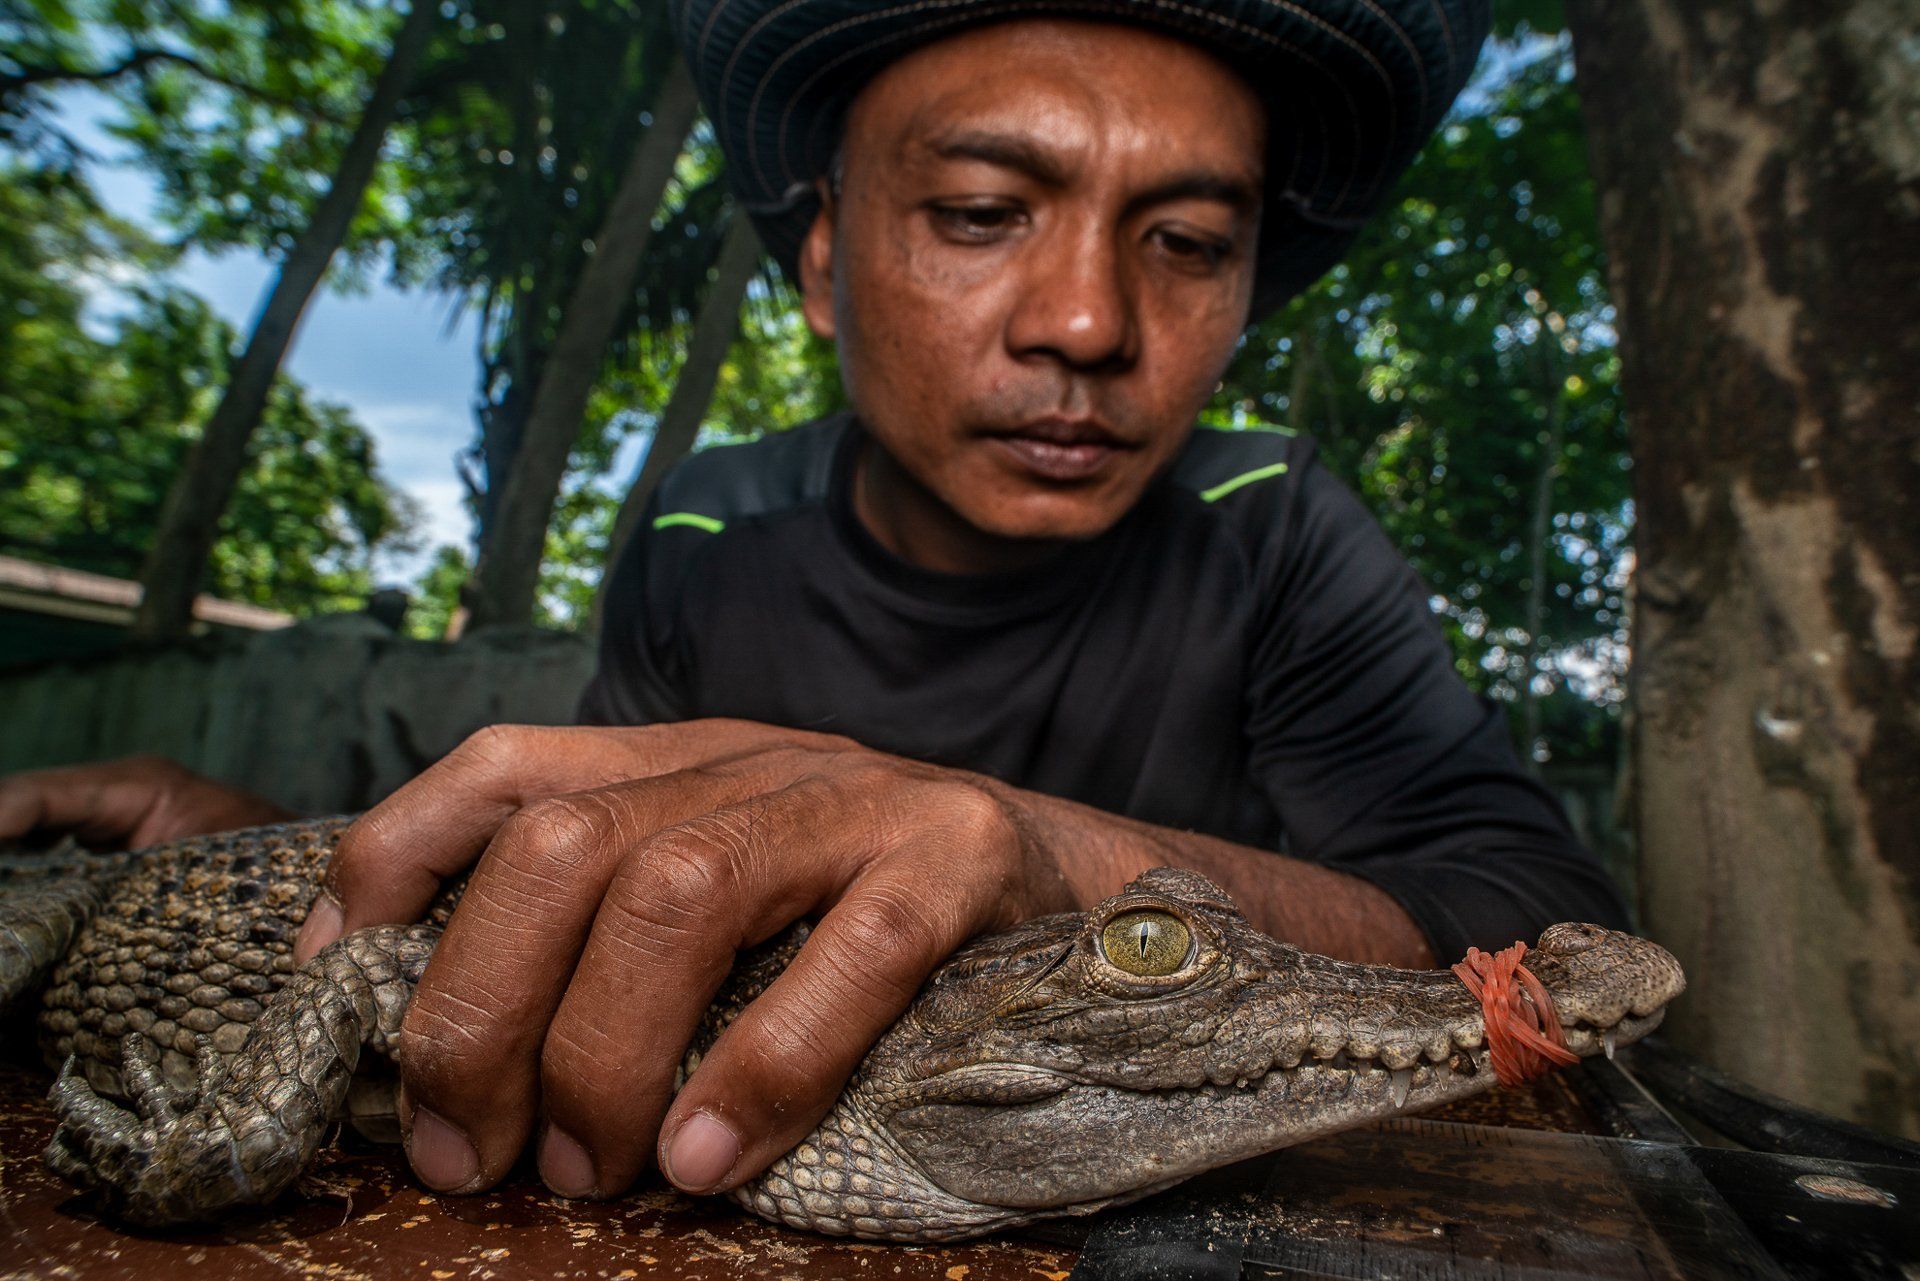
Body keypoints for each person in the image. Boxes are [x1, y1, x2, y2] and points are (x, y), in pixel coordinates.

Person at [0, 0, 1627, 1213]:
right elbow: (599, 886)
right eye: (985, 213)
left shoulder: (1272, 523)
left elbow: (1538, 905)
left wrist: (1042, 852)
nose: (1086, 318)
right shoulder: (704, 525)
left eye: (1191, 238)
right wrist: (267, 862)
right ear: (827, 262)